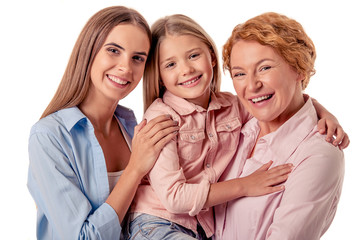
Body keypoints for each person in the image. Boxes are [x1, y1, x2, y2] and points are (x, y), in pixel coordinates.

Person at [127, 14, 346, 240]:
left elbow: (291, 102)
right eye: (240, 73)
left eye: (265, 68)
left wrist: (322, 112)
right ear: (160, 76)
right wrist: (244, 186)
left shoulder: (230, 108)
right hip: (156, 223)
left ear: (211, 58)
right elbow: (174, 197)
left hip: (198, 229)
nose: (186, 70)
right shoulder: (162, 119)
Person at [27, 6, 180, 239]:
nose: (126, 68)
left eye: (137, 58)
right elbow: (84, 237)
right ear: (89, 51)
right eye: (113, 50)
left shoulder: (133, 127)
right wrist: (135, 168)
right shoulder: (49, 137)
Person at [214, 12, 348, 240]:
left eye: (265, 68)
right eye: (239, 73)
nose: (252, 85)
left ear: (299, 68)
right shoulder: (237, 124)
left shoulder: (318, 154)